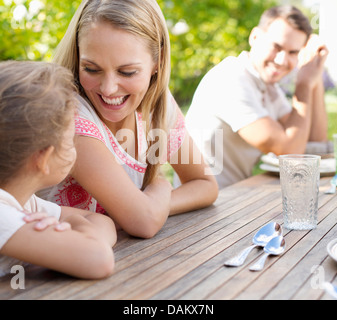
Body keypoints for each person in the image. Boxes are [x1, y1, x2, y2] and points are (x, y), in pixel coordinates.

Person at [40, 0, 218, 239]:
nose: (108, 88)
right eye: (91, 69)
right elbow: (142, 221)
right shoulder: (69, 114)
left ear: (158, 62)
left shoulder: (156, 105)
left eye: (127, 72)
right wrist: (160, 187)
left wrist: (153, 204)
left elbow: (205, 185)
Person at [0, 61, 116, 298]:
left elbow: (98, 221)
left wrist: (75, 234)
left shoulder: (20, 202)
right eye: (69, 141)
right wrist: (76, 234)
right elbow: (99, 260)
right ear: (43, 158)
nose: (74, 147)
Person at [185, 5, 330, 189]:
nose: (282, 60)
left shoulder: (267, 86)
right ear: (254, 37)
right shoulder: (229, 78)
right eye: (276, 47)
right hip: (209, 205)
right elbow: (291, 153)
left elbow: (312, 140)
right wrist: (303, 85)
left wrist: (314, 78)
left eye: (293, 52)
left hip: (236, 198)